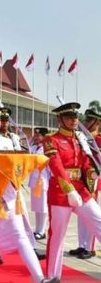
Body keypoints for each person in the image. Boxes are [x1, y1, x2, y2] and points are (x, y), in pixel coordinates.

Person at [0, 106, 56, 283]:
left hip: (9, 197)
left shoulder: (7, 142)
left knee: (21, 236)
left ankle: (40, 278)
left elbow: (15, 167)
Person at [43, 102, 101, 281]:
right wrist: (68, 189)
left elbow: (84, 162)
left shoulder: (80, 138)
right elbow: (56, 165)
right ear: (59, 119)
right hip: (61, 191)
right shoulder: (50, 139)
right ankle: (53, 276)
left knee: (99, 222)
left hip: (81, 190)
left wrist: (92, 172)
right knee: (57, 235)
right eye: (69, 117)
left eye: (76, 117)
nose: (74, 120)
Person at [68, 108, 101, 259]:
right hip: (82, 180)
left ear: (97, 122)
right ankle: (82, 245)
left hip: (95, 181)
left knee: (93, 216)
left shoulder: (99, 139)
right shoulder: (81, 138)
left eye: (89, 120)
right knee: (83, 215)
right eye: (86, 120)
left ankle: (90, 247)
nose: (85, 123)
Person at [28, 127, 50, 240]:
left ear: (44, 137)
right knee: (36, 207)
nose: (36, 137)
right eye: (35, 135)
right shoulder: (33, 147)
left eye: (38, 135)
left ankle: (42, 231)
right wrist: (31, 141)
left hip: (43, 180)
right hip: (34, 180)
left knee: (43, 207)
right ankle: (37, 229)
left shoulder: (47, 149)